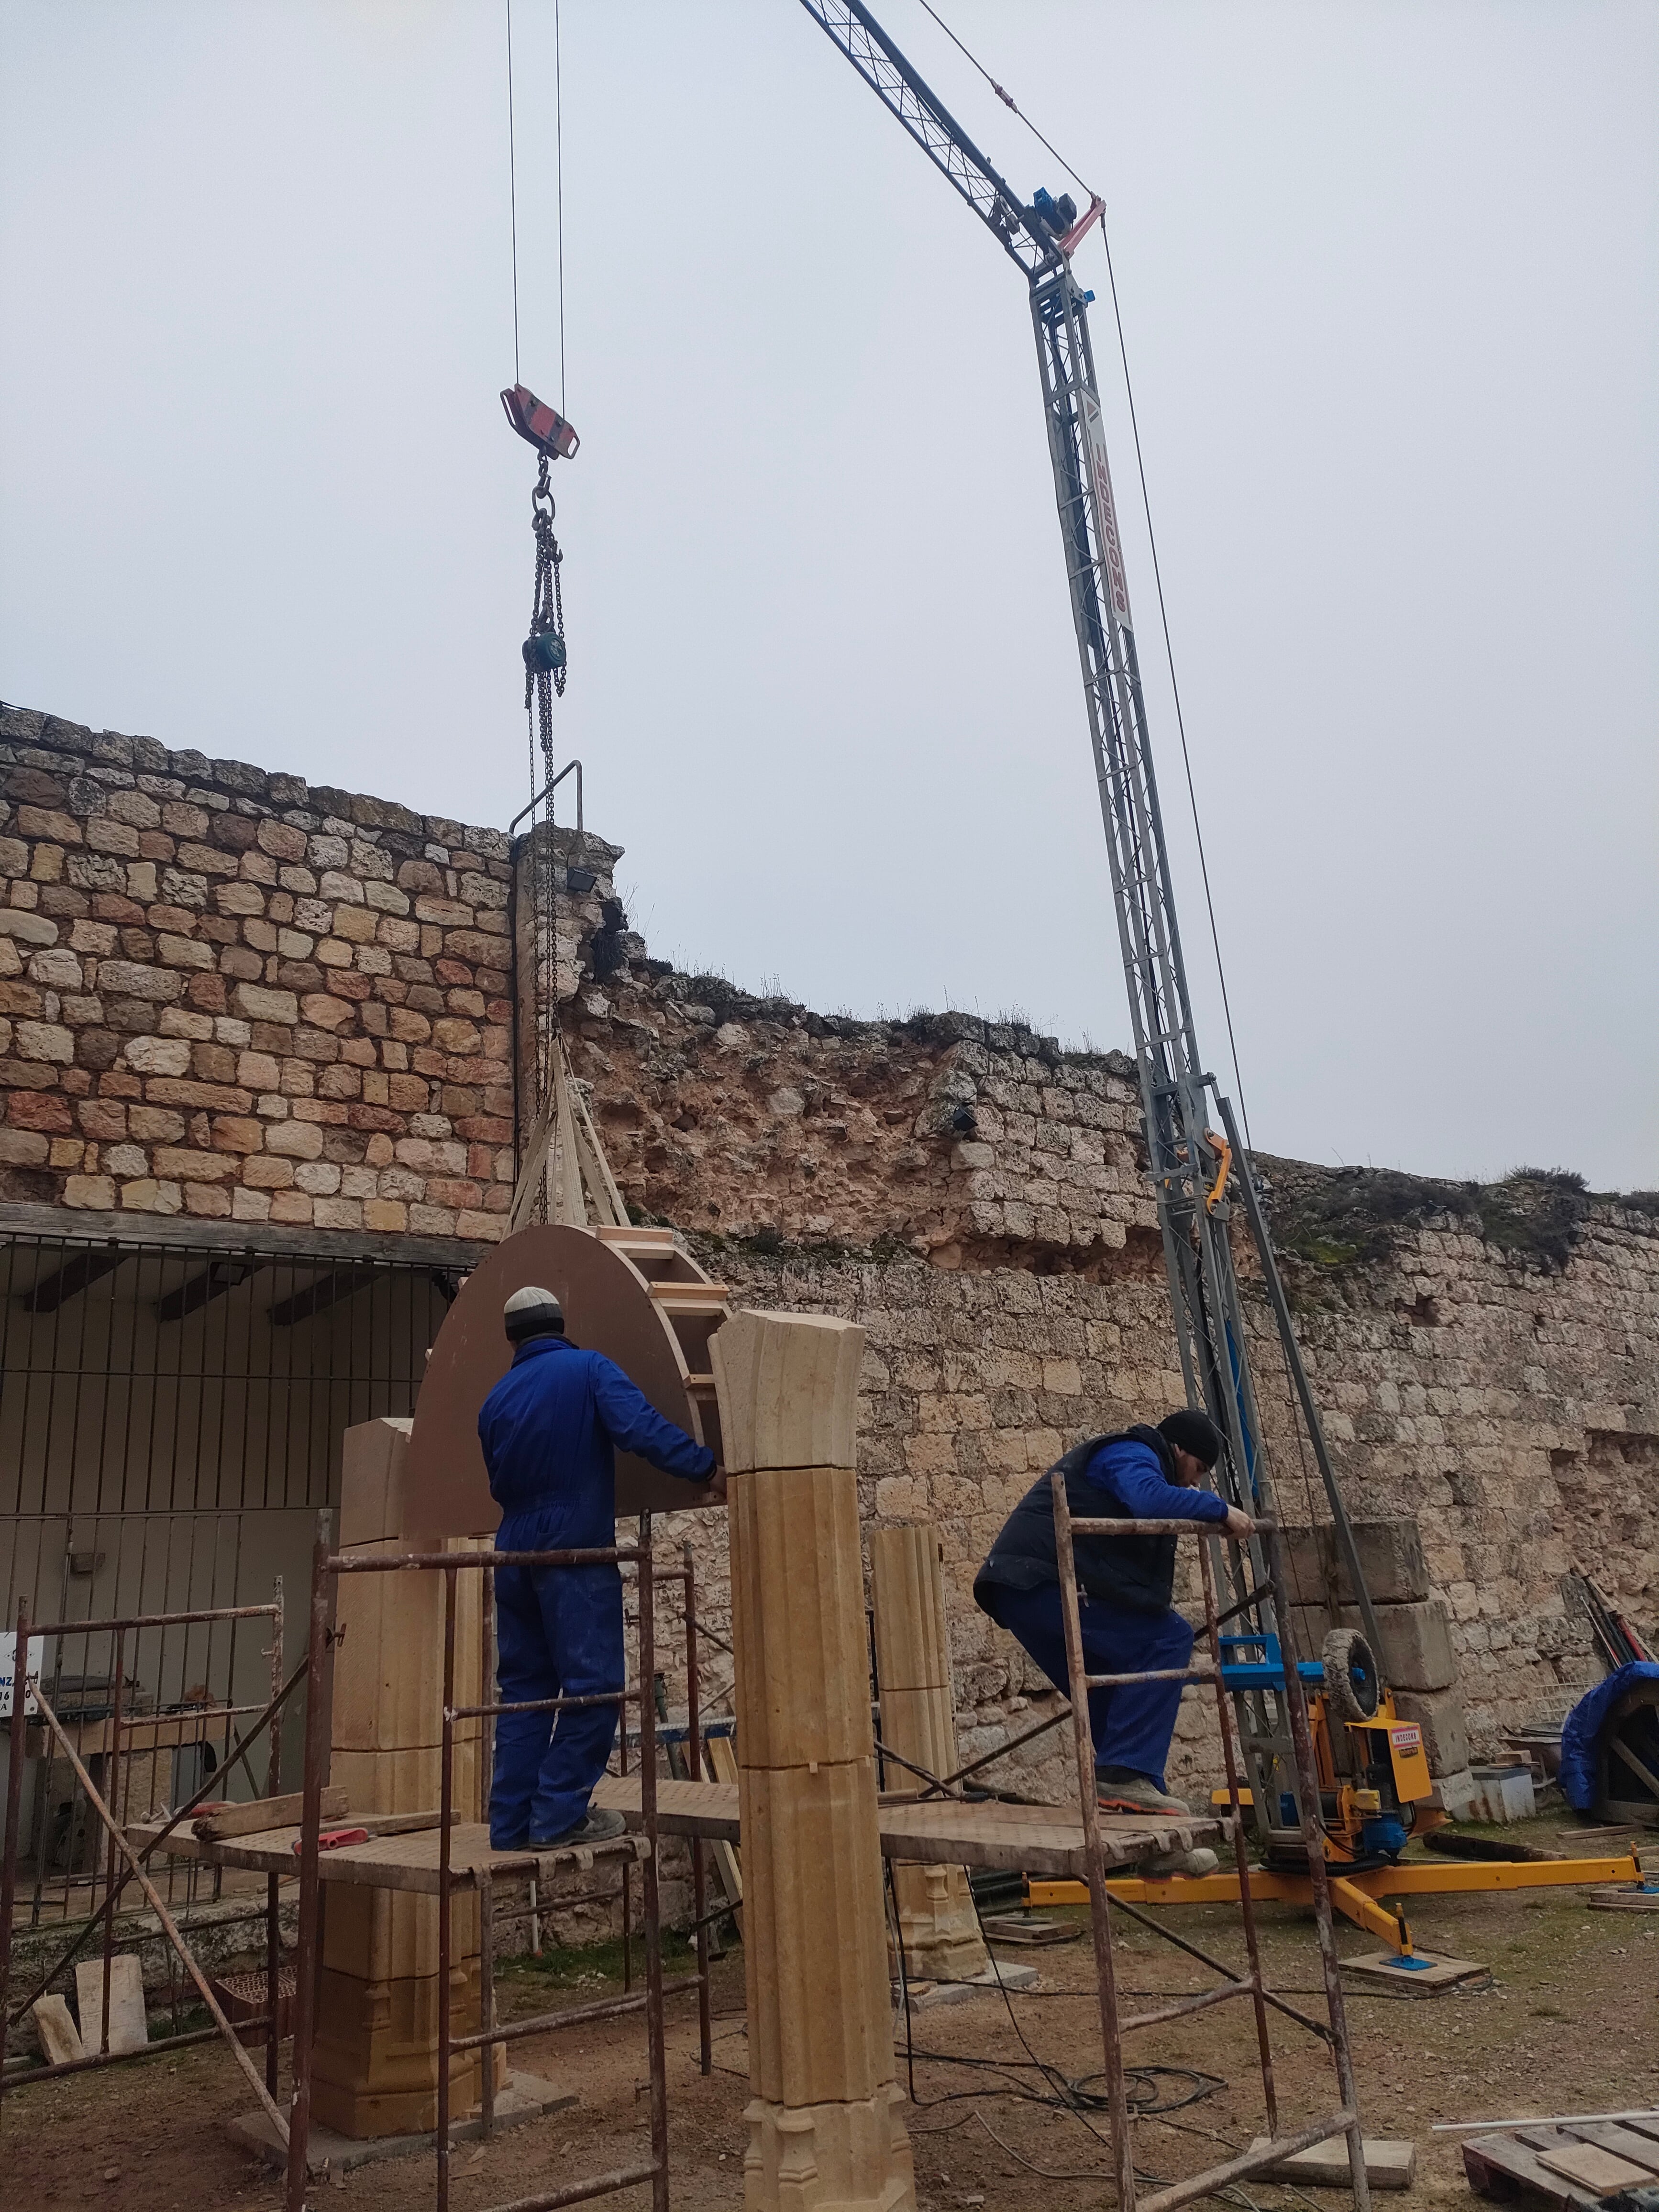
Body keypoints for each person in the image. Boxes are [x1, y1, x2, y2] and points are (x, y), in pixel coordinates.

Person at [479, 1284, 726, 1850]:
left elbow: (497, 1480)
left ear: (512, 1338)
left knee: (524, 1690)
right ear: (563, 1325)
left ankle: (511, 1824)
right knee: (595, 1687)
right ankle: (558, 1815)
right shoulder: (589, 1369)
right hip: (574, 1548)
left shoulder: (494, 1399)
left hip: (512, 1550)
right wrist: (706, 1469)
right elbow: (641, 1430)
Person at [973, 1409, 1253, 1870]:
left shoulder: (1142, 1459)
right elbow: (1146, 1498)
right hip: (1040, 1582)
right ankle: (1124, 1781)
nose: (1194, 1484)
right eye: (1199, 1471)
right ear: (1180, 1450)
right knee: (1168, 1639)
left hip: (1028, 1590)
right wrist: (1219, 1509)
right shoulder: (1129, 1452)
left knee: (1117, 1696)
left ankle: (1149, 1837)